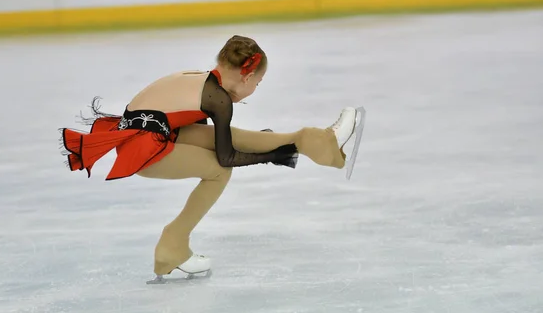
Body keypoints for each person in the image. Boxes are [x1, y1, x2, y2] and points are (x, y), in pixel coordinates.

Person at [59, 35, 364, 282]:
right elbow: (226, 157)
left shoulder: (208, 82)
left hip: (151, 132)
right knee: (219, 171)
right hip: (144, 148)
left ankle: (321, 142)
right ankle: (171, 247)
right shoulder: (217, 98)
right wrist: (273, 156)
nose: (256, 89)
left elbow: (220, 138)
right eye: (258, 83)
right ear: (246, 78)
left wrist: (270, 150)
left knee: (241, 136)